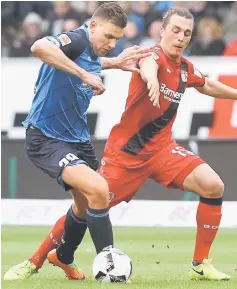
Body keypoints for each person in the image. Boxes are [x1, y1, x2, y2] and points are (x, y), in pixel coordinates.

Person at [5, 7, 237, 282]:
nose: (181, 37)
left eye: (187, 33)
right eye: (175, 30)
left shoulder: (184, 68)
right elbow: (148, 65)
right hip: (127, 155)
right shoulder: (150, 55)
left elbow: (206, 84)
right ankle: (39, 259)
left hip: (162, 149)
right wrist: (148, 77)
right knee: (89, 200)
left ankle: (201, 263)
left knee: (213, 185)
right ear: (162, 31)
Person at [3, 1, 151, 281]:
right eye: (108, 36)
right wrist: (85, 75)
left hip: (77, 139)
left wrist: (114, 63)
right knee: (98, 189)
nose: (112, 43)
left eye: (117, 39)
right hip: (46, 138)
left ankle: (60, 257)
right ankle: (110, 264)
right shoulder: (76, 38)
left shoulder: (91, 50)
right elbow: (39, 47)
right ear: (93, 25)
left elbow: (90, 59)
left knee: (86, 203)